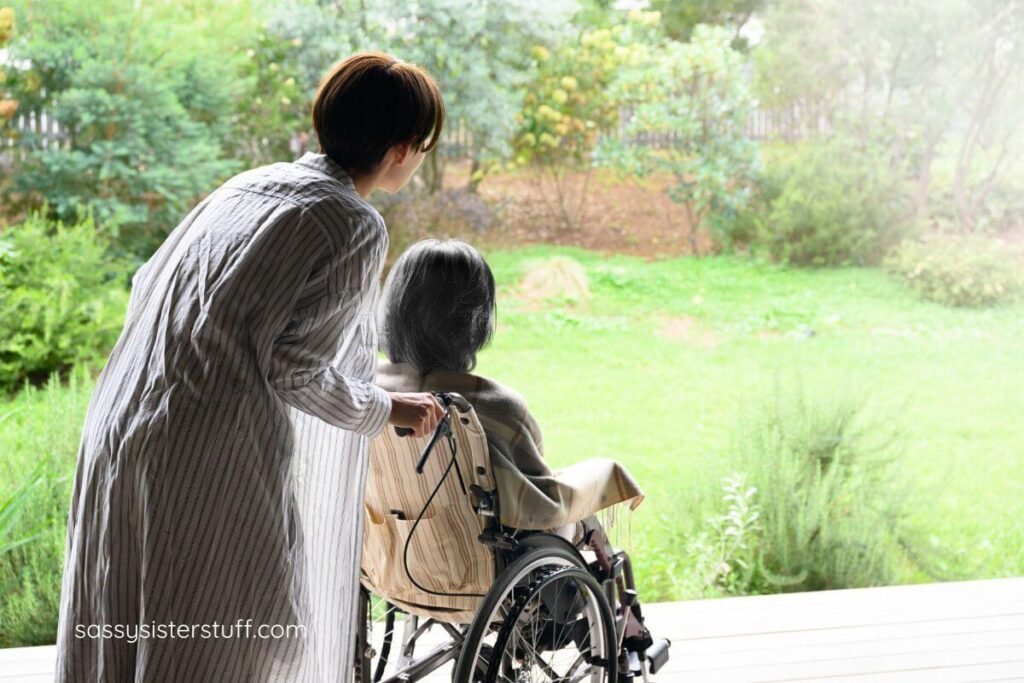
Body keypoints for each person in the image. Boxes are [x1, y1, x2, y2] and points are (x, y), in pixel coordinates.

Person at [55, 52, 446, 682]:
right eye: (423, 145)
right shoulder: (351, 223)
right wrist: (387, 408)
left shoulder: (251, 184)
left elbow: (151, 282)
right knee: (216, 639)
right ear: (402, 148)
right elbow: (295, 368)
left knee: (125, 617)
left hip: (120, 423)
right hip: (200, 453)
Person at [374, 239, 643, 537]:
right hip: (487, 561)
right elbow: (541, 500)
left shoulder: (367, 395)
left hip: (390, 556)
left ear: (394, 309)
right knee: (592, 491)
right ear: (474, 320)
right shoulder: (497, 407)